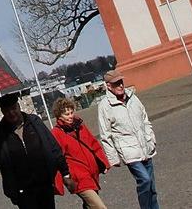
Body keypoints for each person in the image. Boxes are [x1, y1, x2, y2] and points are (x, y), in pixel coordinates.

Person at [0, 92, 73, 208]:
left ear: (18, 107)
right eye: (7, 110)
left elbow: (53, 147)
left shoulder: (34, 122)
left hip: (44, 183)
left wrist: (65, 173)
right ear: (3, 112)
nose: (11, 113)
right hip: (22, 190)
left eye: (13, 108)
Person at [96, 71, 158, 209]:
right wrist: (113, 159)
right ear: (108, 86)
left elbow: (144, 118)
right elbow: (105, 135)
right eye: (116, 83)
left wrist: (151, 138)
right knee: (145, 180)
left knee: (152, 187)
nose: (120, 85)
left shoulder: (133, 97)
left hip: (145, 145)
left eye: (121, 82)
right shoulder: (105, 106)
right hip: (129, 152)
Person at [49, 97, 110, 209]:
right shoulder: (56, 133)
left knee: (89, 206)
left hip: (92, 172)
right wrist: (65, 178)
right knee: (100, 207)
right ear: (59, 115)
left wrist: (103, 162)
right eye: (66, 114)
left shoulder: (80, 126)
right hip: (78, 177)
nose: (70, 116)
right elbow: (57, 158)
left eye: (71, 112)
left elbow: (93, 144)